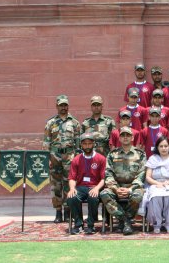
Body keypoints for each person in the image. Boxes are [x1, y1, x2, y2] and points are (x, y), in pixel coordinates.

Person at [100, 126, 146, 235]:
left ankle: (124, 222)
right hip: (117, 186)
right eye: (123, 135)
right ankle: (126, 221)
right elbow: (108, 173)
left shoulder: (140, 154)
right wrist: (116, 189)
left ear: (132, 138)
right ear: (119, 138)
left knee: (137, 195)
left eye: (128, 135)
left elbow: (142, 174)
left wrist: (130, 189)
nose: (125, 138)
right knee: (104, 193)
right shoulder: (112, 154)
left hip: (133, 187)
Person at [42, 94, 81, 223]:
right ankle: (58, 212)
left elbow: (78, 143)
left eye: (65, 105)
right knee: (56, 185)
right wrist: (47, 158)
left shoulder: (74, 123)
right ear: (56, 106)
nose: (63, 107)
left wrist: (76, 159)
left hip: (69, 157)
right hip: (54, 157)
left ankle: (68, 211)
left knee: (69, 184)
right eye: (61, 105)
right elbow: (46, 143)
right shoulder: (51, 123)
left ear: (68, 106)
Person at [67, 132, 106, 234]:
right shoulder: (76, 159)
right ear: (81, 145)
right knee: (72, 197)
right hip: (80, 187)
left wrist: (97, 188)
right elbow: (72, 178)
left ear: (94, 144)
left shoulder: (101, 159)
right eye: (85, 144)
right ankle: (78, 224)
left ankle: (90, 225)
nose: (87, 146)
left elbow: (103, 179)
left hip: (95, 186)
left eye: (89, 143)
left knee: (93, 197)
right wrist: (72, 189)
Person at [144, 136, 169, 234]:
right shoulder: (153, 158)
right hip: (155, 184)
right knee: (155, 197)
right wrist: (159, 183)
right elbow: (148, 177)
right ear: (157, 147)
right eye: (161, 146)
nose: (163, 148)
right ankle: (156, 224)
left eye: (166, 146)